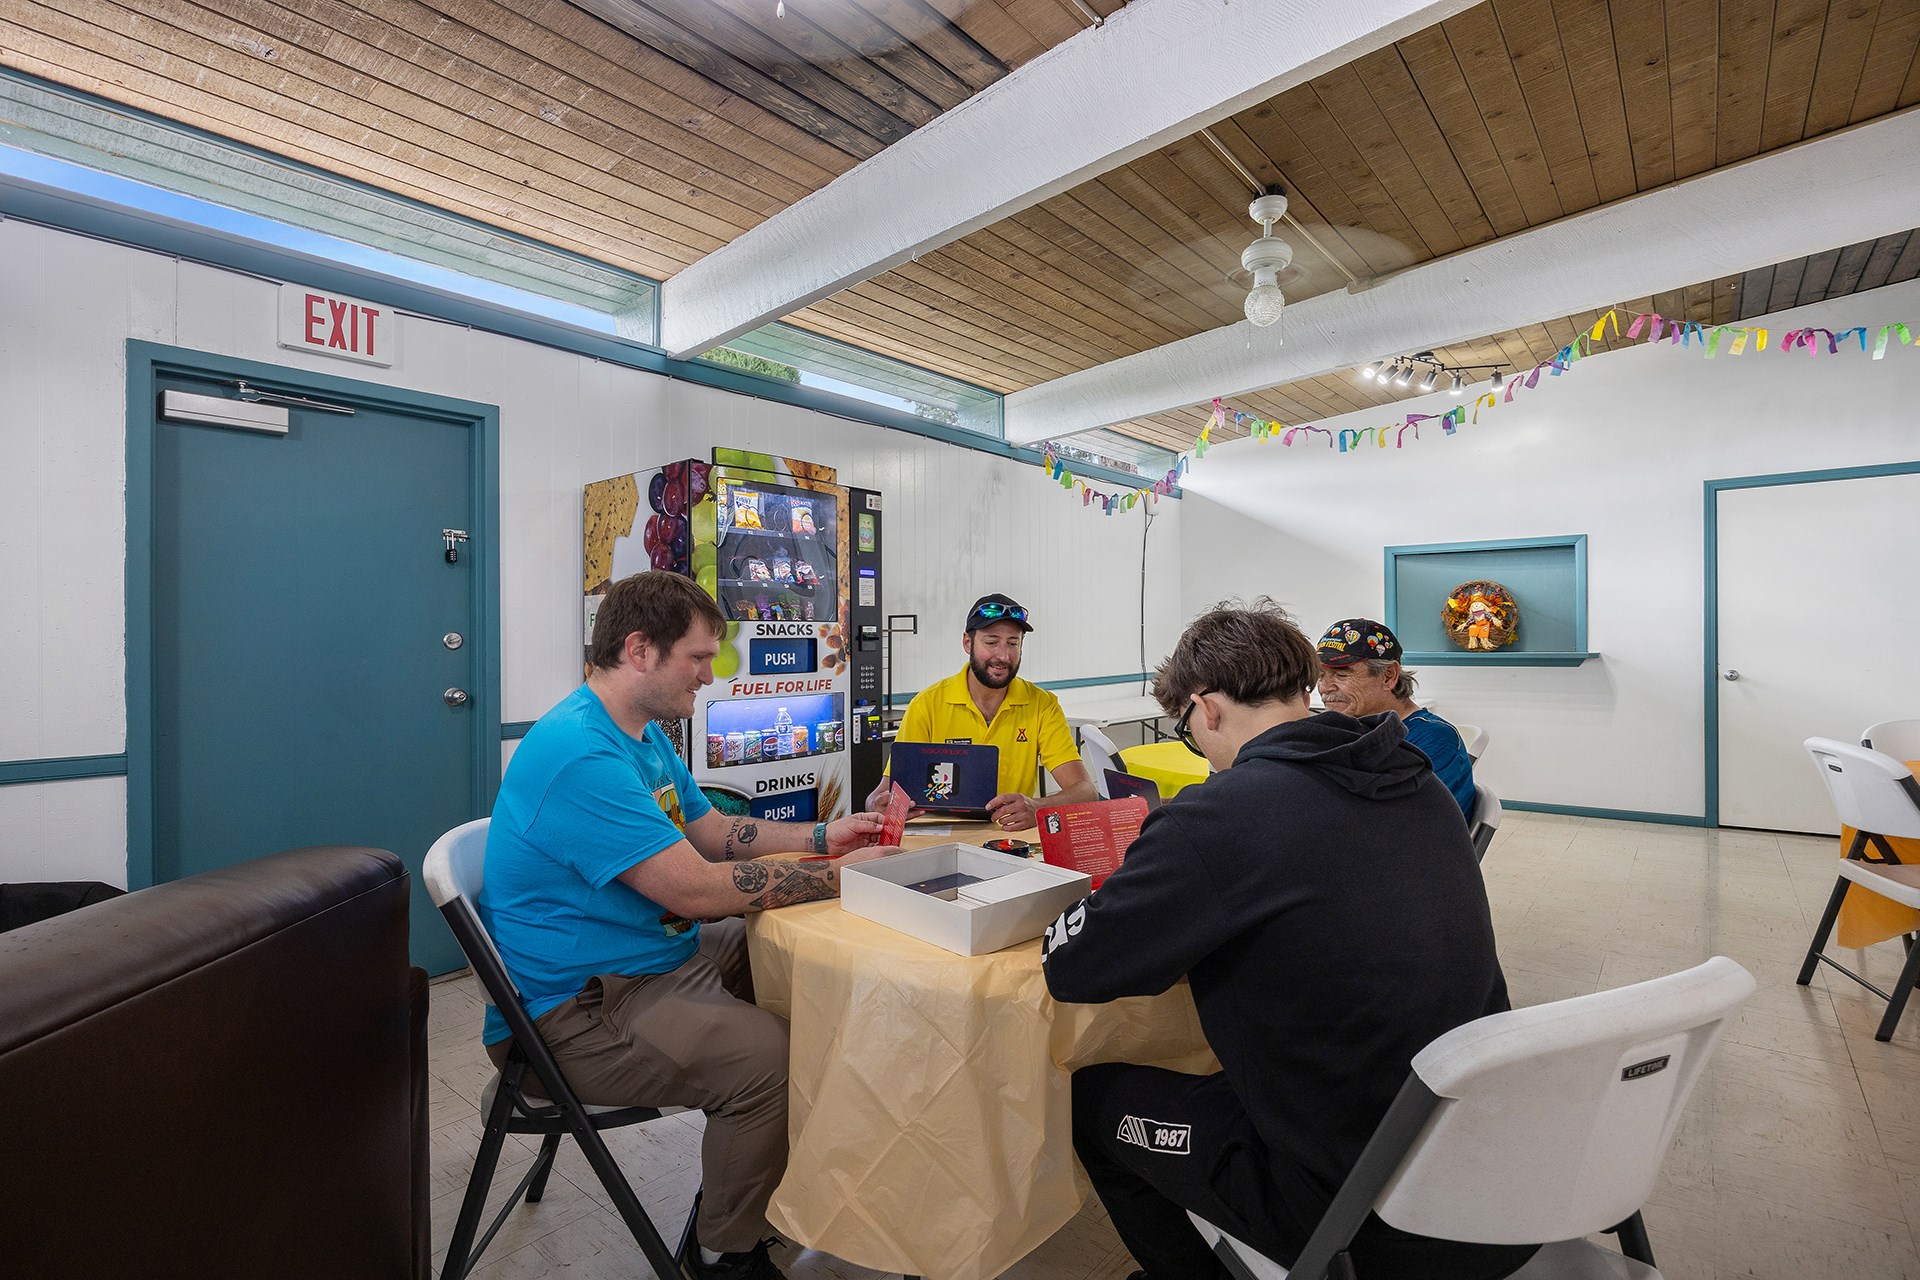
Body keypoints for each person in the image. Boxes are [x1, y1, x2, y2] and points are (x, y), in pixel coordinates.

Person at [1042, 600, 1534, 1280]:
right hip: (1496, 1164)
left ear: (1205, 709)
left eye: (1188, 731)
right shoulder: (1416, 779)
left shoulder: (1218, 816)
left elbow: (1074, 968)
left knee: (1092, 1101)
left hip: (1366, 1209)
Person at [481, 570, 899, 1280]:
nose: (710, 675)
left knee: (802, 963)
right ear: (640, 649)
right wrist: (845, 877)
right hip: (577, 1010)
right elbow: (699, 890)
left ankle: (764, 1171)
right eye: (699, 658)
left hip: (649, 957)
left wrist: (825, 839)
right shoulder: (579, 753)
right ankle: (720, 1254)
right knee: (772, 1062)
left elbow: (713, 833)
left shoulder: (641, 735)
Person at [867, 593, 1096, 831]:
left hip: (1011, 838)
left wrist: (1037, 806)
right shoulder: (927, 704)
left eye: (1013, 643)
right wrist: (876, 804)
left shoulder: (1041, 704)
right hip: (939, 837)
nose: (1003, 656)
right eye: (991, 642)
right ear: (967, 643)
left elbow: (1086, 790)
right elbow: (881, 795)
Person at [1315, 617, 1476, 816]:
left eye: (1341, 674)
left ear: (1388, 676)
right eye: (1320, 675)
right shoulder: (1345, 729)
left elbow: (1408, 821)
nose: (1324, 688)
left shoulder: (1433, 739)